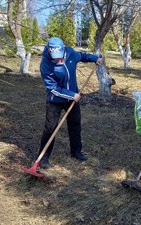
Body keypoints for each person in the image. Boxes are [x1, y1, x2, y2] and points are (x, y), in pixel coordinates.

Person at [38, 37, 103, 169]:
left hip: (72, 100)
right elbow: (52, 89)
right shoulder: (45, 65)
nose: (58, 59)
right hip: (55, 101)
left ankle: (76, 152)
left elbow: (82, 56)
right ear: (49, 51)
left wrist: (94, 58)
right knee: (50, 128)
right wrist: (71, 94)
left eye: (59, 56)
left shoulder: (70, 53)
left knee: (75, 125)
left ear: (63, 49)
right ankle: (43, 157)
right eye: (54, 57)